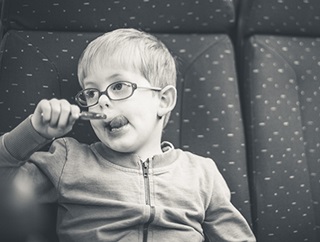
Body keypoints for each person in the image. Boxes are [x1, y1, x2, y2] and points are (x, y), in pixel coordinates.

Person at [0, 28, 255, 242]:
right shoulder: (69, 159)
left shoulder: (201, 173)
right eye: (91, 93)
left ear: (164, 100)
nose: (101, 101)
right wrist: (34, 131)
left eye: (119, 86)